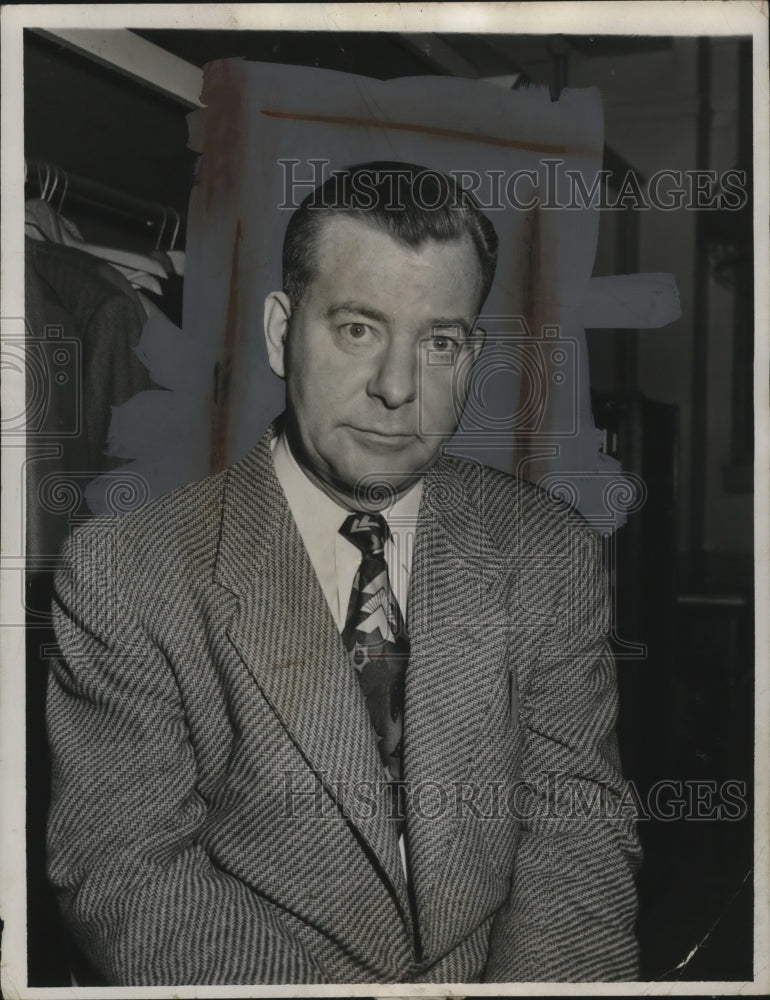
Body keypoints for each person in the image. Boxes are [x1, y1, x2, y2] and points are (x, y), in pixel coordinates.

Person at [47, 162, 641, 985]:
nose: (398, 388)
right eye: (358, 329)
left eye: (439, 342)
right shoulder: (125, 572)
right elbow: (125, 868)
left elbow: (576, 827)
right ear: (279, 332)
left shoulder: (548, 551)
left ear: (472, 355)